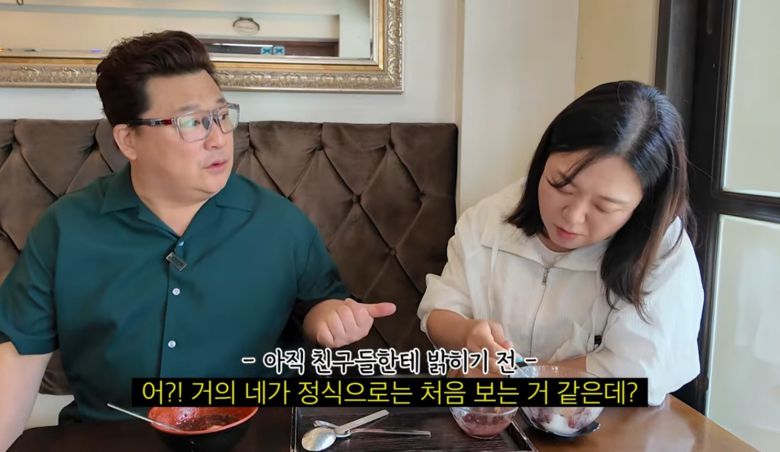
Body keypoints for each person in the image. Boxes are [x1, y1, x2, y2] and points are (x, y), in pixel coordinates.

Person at [0, 30, 395, 448]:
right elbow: (17, 354)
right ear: (129, 139)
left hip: (250, 439)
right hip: (110, 438)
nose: (217, 137)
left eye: (222, 115)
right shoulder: (67, 228)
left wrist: (330, 318)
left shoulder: (280, 223)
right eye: (191, 122)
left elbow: (320, 308)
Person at [418, 81, 703, 405]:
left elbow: (641, 374)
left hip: (605, 421)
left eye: (604, 207)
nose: (573, 217)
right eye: (561, 185)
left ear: (644, 203)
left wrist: (523, 379)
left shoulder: (661, 252)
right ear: (543, 161)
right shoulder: (490, 219)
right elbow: (440, 310)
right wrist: (466, 334)